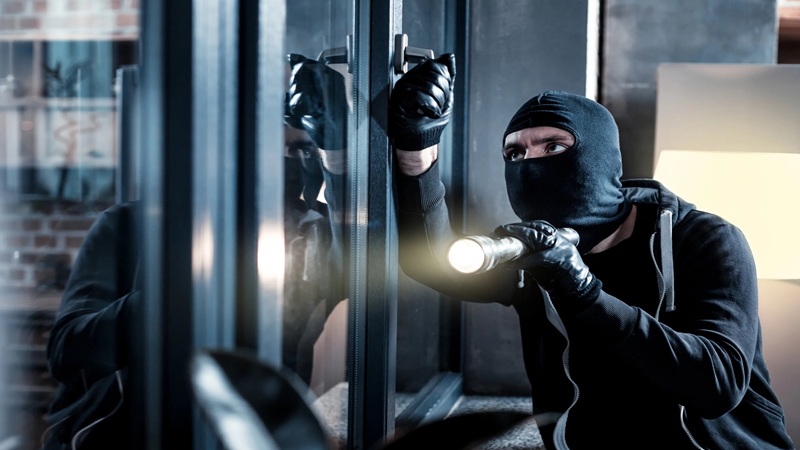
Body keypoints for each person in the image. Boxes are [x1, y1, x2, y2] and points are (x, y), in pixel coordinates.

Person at [388, 54, 794, 449]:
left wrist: (583, 292)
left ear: (598, 156)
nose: (530, 165)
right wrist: (416, 149)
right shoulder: (535, 251)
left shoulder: (707, 239)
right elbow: (434, 263)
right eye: (515, 153)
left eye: (553, 147)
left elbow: (717, 385)